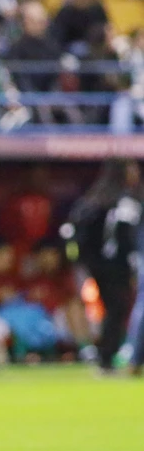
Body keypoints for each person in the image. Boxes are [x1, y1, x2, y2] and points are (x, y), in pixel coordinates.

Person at [67, 159, 141, 375]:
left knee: (113, 309)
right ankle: (106, 357)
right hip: (114, 265)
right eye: (131, 168)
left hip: (96, 264)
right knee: (116, 309)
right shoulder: (123, 201)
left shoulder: (95, 197)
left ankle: (105, 355)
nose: (135, 173)